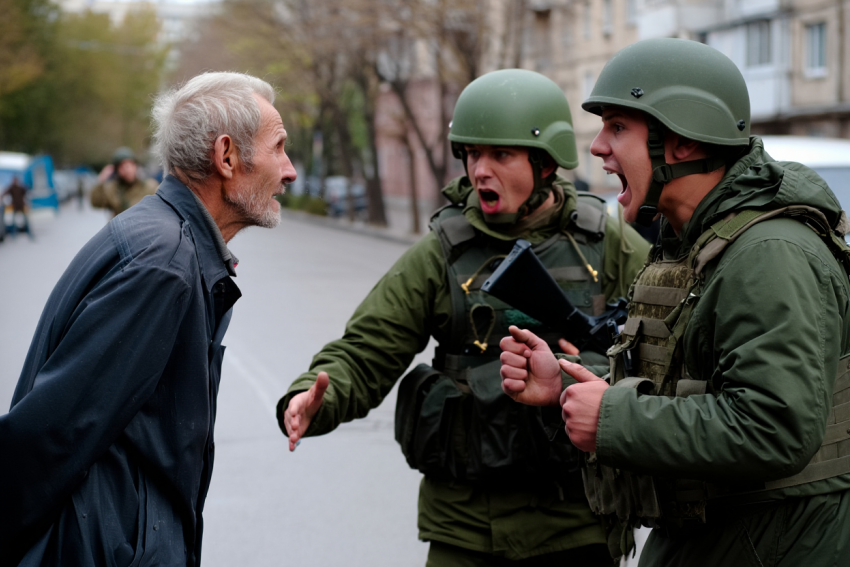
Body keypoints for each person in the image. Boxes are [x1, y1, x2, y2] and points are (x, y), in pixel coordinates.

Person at [500, 38, 850, 566]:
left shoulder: (770, 254)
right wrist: (569, 387)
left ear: (681, 140)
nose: (597, 147)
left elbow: (773, 427)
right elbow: (687, 385)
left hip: (773, 544)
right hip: (720, 537)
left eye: (618, 127)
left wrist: (613, 419)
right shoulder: (698, 242)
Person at [278, 69, 650, 566]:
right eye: (472, 154)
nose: (480, 171)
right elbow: (369, 347)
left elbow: (665, 355)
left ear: (544, 163)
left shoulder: (608, 243)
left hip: (577, 519)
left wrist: (588, 374)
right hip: (467, 525)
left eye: (500, 155)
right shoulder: (443, 251)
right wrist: (314, 398)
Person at [0, 71, 297, 566]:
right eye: (280, 148)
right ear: (226, 156)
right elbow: (53, 433)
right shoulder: (163, 264)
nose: (289, 171)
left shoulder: (164, 241)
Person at [90, 146, 157, 216]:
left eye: (130, 165)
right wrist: (101, 179)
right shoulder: (112, 189)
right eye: (122, 167)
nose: (127, 170)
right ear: (116, 170)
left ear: (136, 166)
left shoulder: (149, 186)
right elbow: (95, 202)